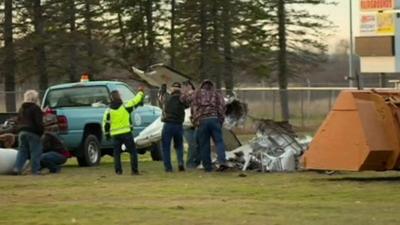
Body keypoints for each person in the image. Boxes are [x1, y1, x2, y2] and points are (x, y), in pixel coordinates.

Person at [102, 88, 144, 175]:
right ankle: (134, 171)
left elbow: (105, 124)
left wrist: (107, 134)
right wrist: (140, 92)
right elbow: (135, 100)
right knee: (132, 152)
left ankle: (118, 171)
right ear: (119, 96)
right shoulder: (125, 106)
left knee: (116, 154)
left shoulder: (108, 111)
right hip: (126, 132)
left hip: (115, 134)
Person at [189, 80, 228, 172]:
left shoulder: (197, 94)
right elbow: (222, 107)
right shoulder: (217, 94)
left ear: (202, 86)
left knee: (204, 144)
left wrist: (195, 121)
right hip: (214, 119)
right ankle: (222, 161)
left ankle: (208, 167)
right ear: (212, 86)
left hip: (202, 120)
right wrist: (220, 121)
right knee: (219, 142)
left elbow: (193, 107)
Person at [14, 90, 44, 175]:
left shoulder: (21, 108)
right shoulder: (36, 108)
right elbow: (39, 123)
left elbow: (18, 120)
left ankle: (17, 168)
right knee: (35, 151)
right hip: (33, 132)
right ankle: (35, 170)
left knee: (22, 151)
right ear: (35, 99)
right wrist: (41, 132)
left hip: (21, 132)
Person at [159, 82, 187, 172]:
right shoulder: (182, 99)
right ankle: (180, 163)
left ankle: (168, 167)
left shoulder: (167, 98)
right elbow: (188, 104)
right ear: (180, 89)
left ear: (172, 89)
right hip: (179, 125)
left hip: (168, 124)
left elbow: (160, 98)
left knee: (166, 146)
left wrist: (163, 87)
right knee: (179, 146)